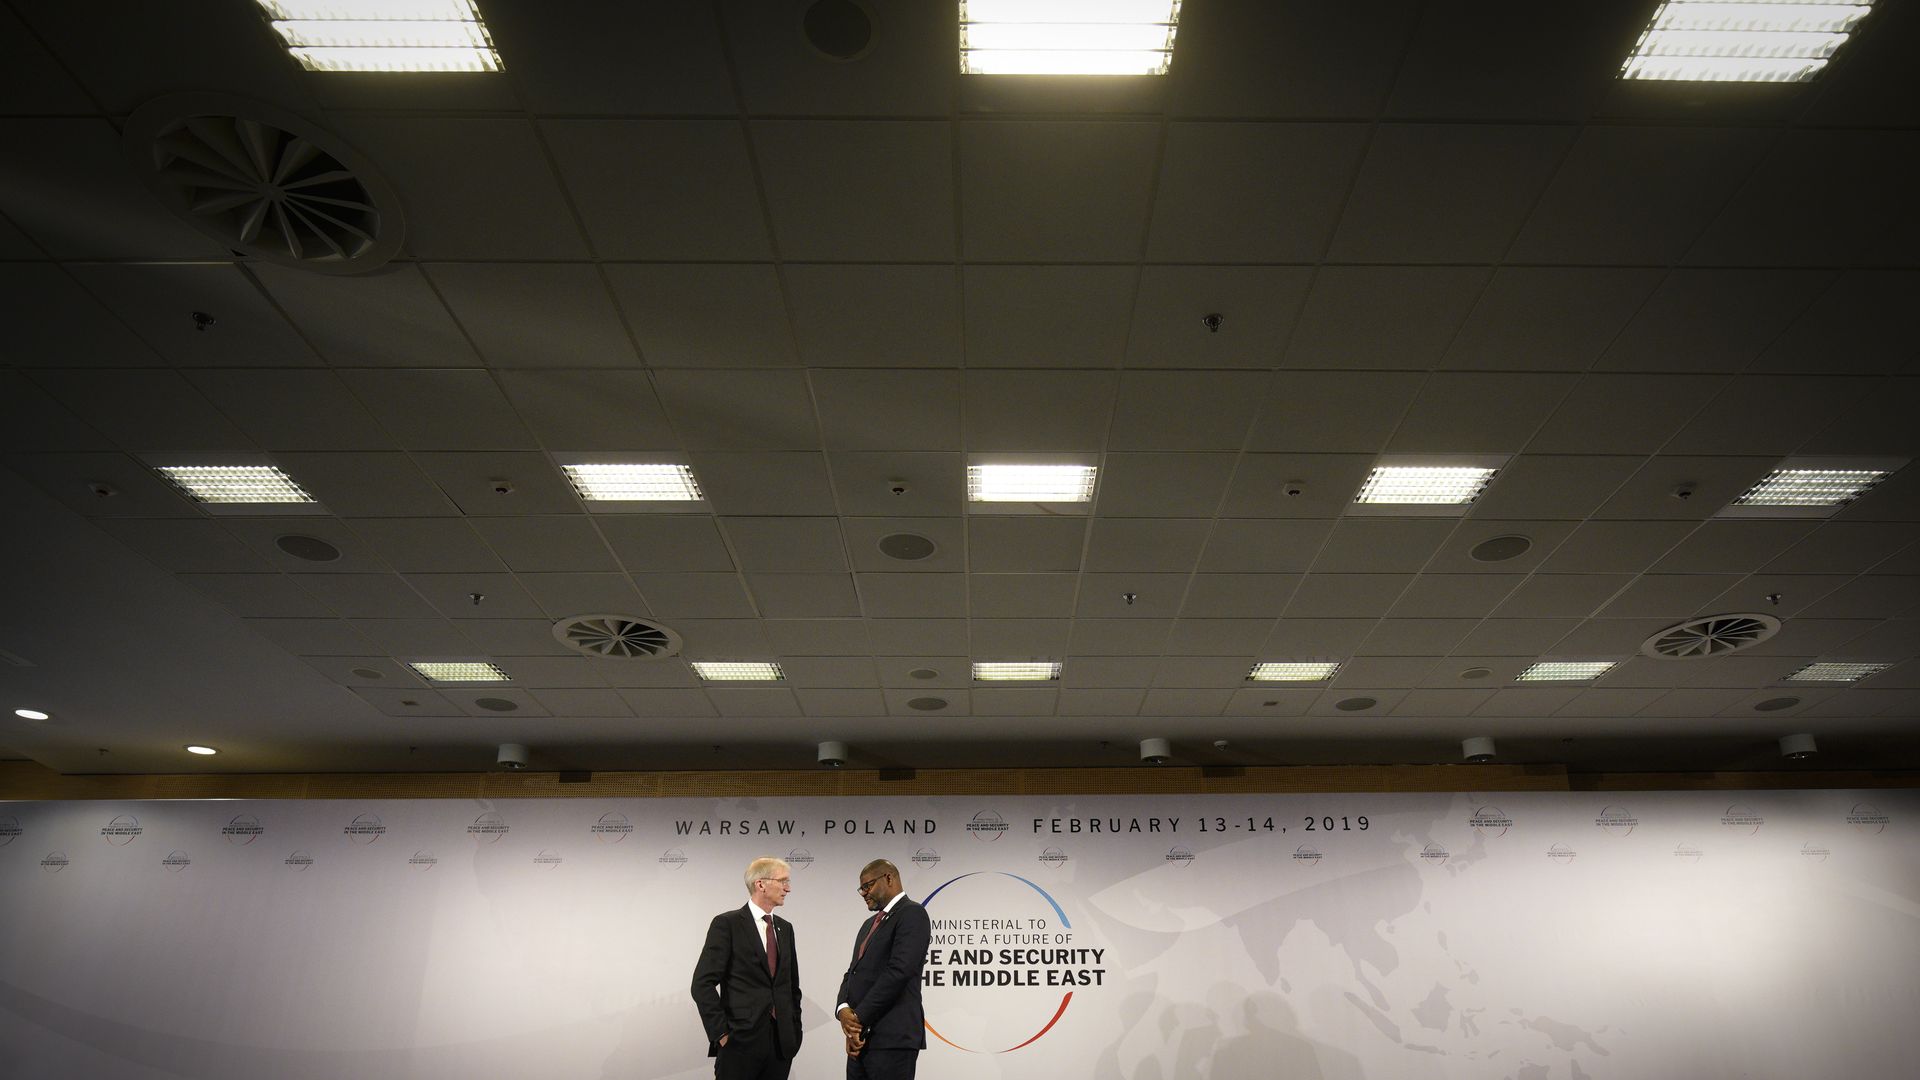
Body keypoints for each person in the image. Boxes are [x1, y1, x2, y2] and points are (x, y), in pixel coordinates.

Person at [692, 856, 803, 1080]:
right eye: (782, 881)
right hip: (738, 1044)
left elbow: (791, 986)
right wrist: (721, 1033)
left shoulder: (785, 928)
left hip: (781, 1045)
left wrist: (795, 1028)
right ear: (760, 884)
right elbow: (702, 984)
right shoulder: (727, 924)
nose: (788, 888)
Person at [834, 859, 931, 1078]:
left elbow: (899, 972)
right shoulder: (868, 924)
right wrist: (843, 1009)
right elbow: (852, 972)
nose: (863, 893)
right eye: (861, 888)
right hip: (860, 1040)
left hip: (892, 1038)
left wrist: (857, 1019)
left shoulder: (912, 913)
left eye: (868, 886)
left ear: (888, 878)